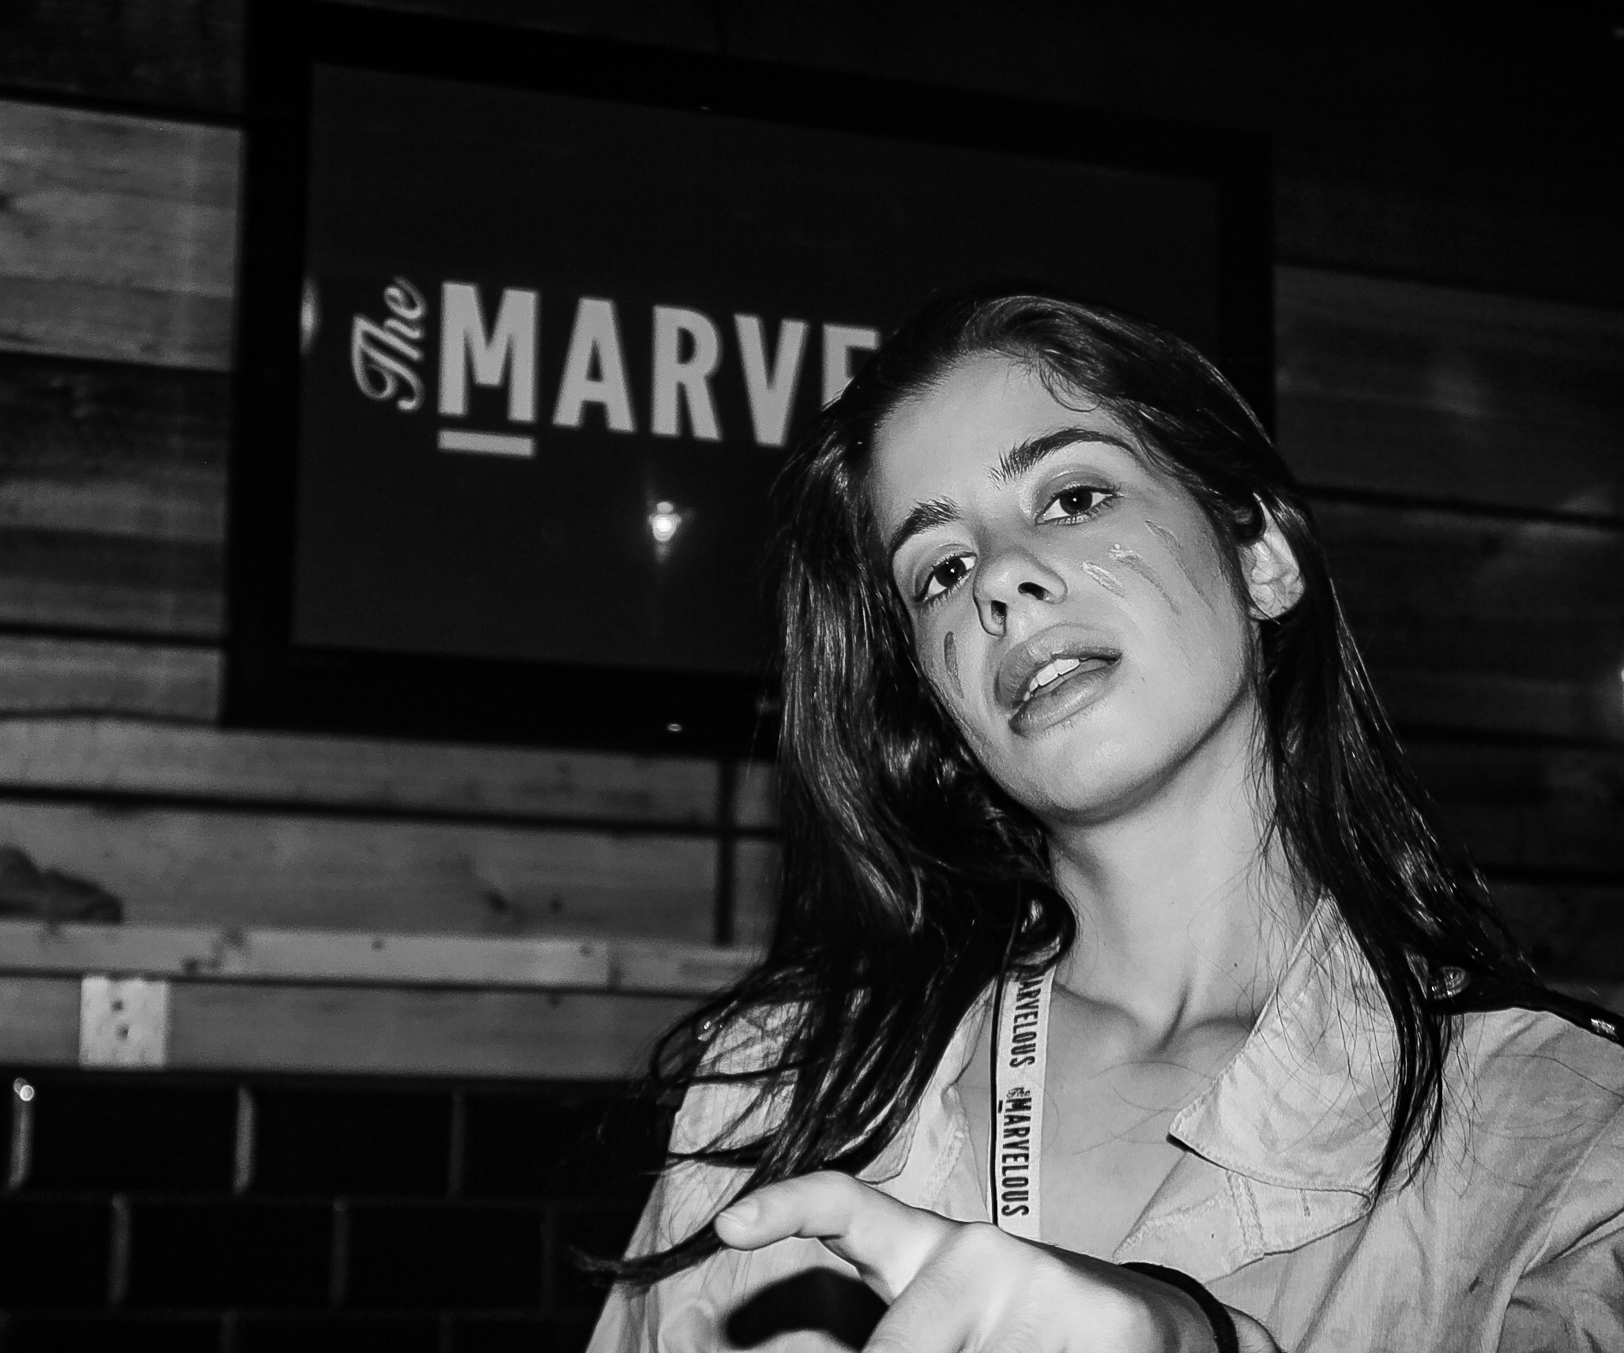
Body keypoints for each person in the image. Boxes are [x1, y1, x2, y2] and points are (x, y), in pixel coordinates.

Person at [585, 291, 1624, 1351]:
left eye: (1073, 497)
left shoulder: (1570, 1135)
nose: (997, 579)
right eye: (940, 570)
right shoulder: (781, 1086)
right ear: (939, 709)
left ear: (1261, 558)